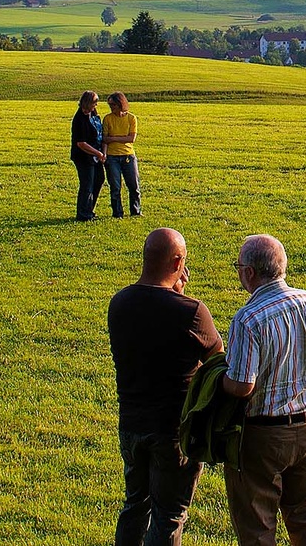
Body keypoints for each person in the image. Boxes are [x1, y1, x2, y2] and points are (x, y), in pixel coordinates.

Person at [220, 234, 306, 546]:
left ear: (249, 272)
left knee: (257, 525)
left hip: (263, 434)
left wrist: (212, 378)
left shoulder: (249, 319)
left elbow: (241, 386)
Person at [110, 228, 222, 545]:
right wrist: (183, 297)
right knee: (169, 515)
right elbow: (217, 357)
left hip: (131, 425)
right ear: (177, 263)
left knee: (135, 505)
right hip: (173, 432)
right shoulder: (191, 312)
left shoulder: (119, 303)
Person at [102, 92, 144, 217]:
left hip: (128, 155)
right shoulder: (107, 119)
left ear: (120, 104)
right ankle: (117, 213)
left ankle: (135, 211)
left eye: (113, 104)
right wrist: (104, 153)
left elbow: (131, 138)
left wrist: (113, 138)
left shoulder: (131, 118)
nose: (111, 107)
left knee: (134, 186)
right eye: (109, 104)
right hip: (112, 156)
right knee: (115, 187)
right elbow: (105, 138)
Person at [73, 91, 109, 221]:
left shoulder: (93, 113)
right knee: (87, 184)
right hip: (83, 157)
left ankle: (89, 209)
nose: (96, 105)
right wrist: (98, 153)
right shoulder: (79, 119)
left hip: (95, 155)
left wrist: (102, 152)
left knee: (99, 179)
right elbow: (81, 143)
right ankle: (83, 214)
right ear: (88, 102)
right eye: (94, 102)